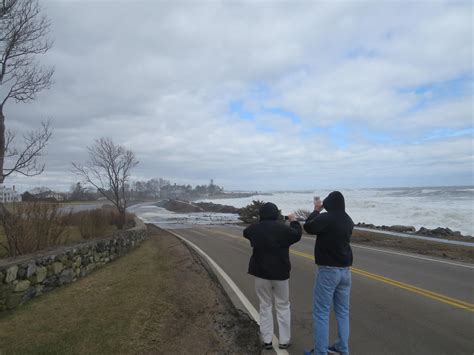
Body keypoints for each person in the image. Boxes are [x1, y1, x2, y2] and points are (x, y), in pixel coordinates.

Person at [243, 202, 302, 350]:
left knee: (265, 305)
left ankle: (267, 340)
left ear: (261, 215)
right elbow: (297, 234)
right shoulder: (283, 229)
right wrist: (293, 220)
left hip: (261, 273)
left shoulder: (254, 229)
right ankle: (284, 340)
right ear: (276, 214)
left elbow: (246, 232)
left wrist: (260, 224)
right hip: (280, 274)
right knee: (282, 305)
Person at [304, 191, 354, 355]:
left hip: (328, 271)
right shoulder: (348, 220)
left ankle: (320, 352)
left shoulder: (327, 217)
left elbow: (309, 226)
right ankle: (342, 348)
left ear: (329, 204)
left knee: (321, 312)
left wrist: (317, 210)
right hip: (345, 272)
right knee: (343, 312)